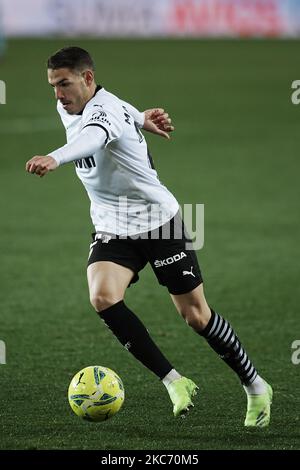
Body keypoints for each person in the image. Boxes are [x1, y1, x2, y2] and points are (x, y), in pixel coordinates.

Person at [26, 46, 272, 425]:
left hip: (160, 222)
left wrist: (55, 158)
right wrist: (141, 118)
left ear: (87, 79)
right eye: (53, 85)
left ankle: (255, 386)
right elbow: (117, 113)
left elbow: (92, 137)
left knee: (195, 316)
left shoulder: (101, 112)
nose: (58, 93)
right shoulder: (77, 104)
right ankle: (175, 382)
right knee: (103, 296)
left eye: (64, 83)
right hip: (114, 224)